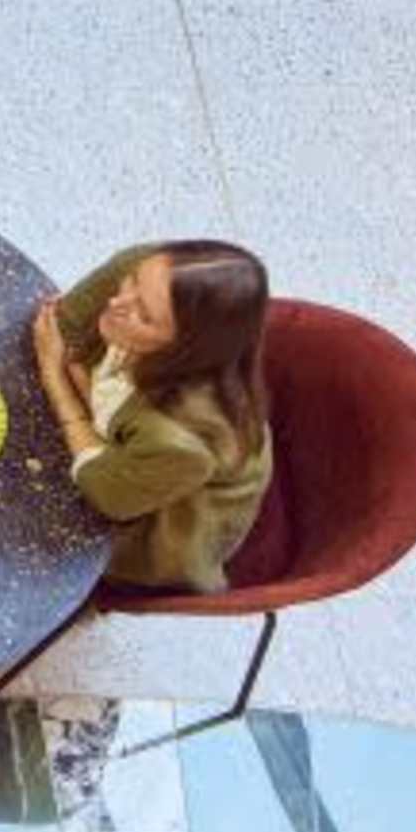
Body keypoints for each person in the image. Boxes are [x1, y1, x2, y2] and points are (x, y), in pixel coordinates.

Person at [31, 241, 276, 593]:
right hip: (139, 452)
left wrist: (55, 376)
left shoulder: (179, 438)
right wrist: (78, 384)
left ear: (182, 348)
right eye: (132, 281)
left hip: (160, 527)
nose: (116, 304)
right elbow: (59, 325)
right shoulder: (150, 268)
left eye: (145, 317)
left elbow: (107, 493)